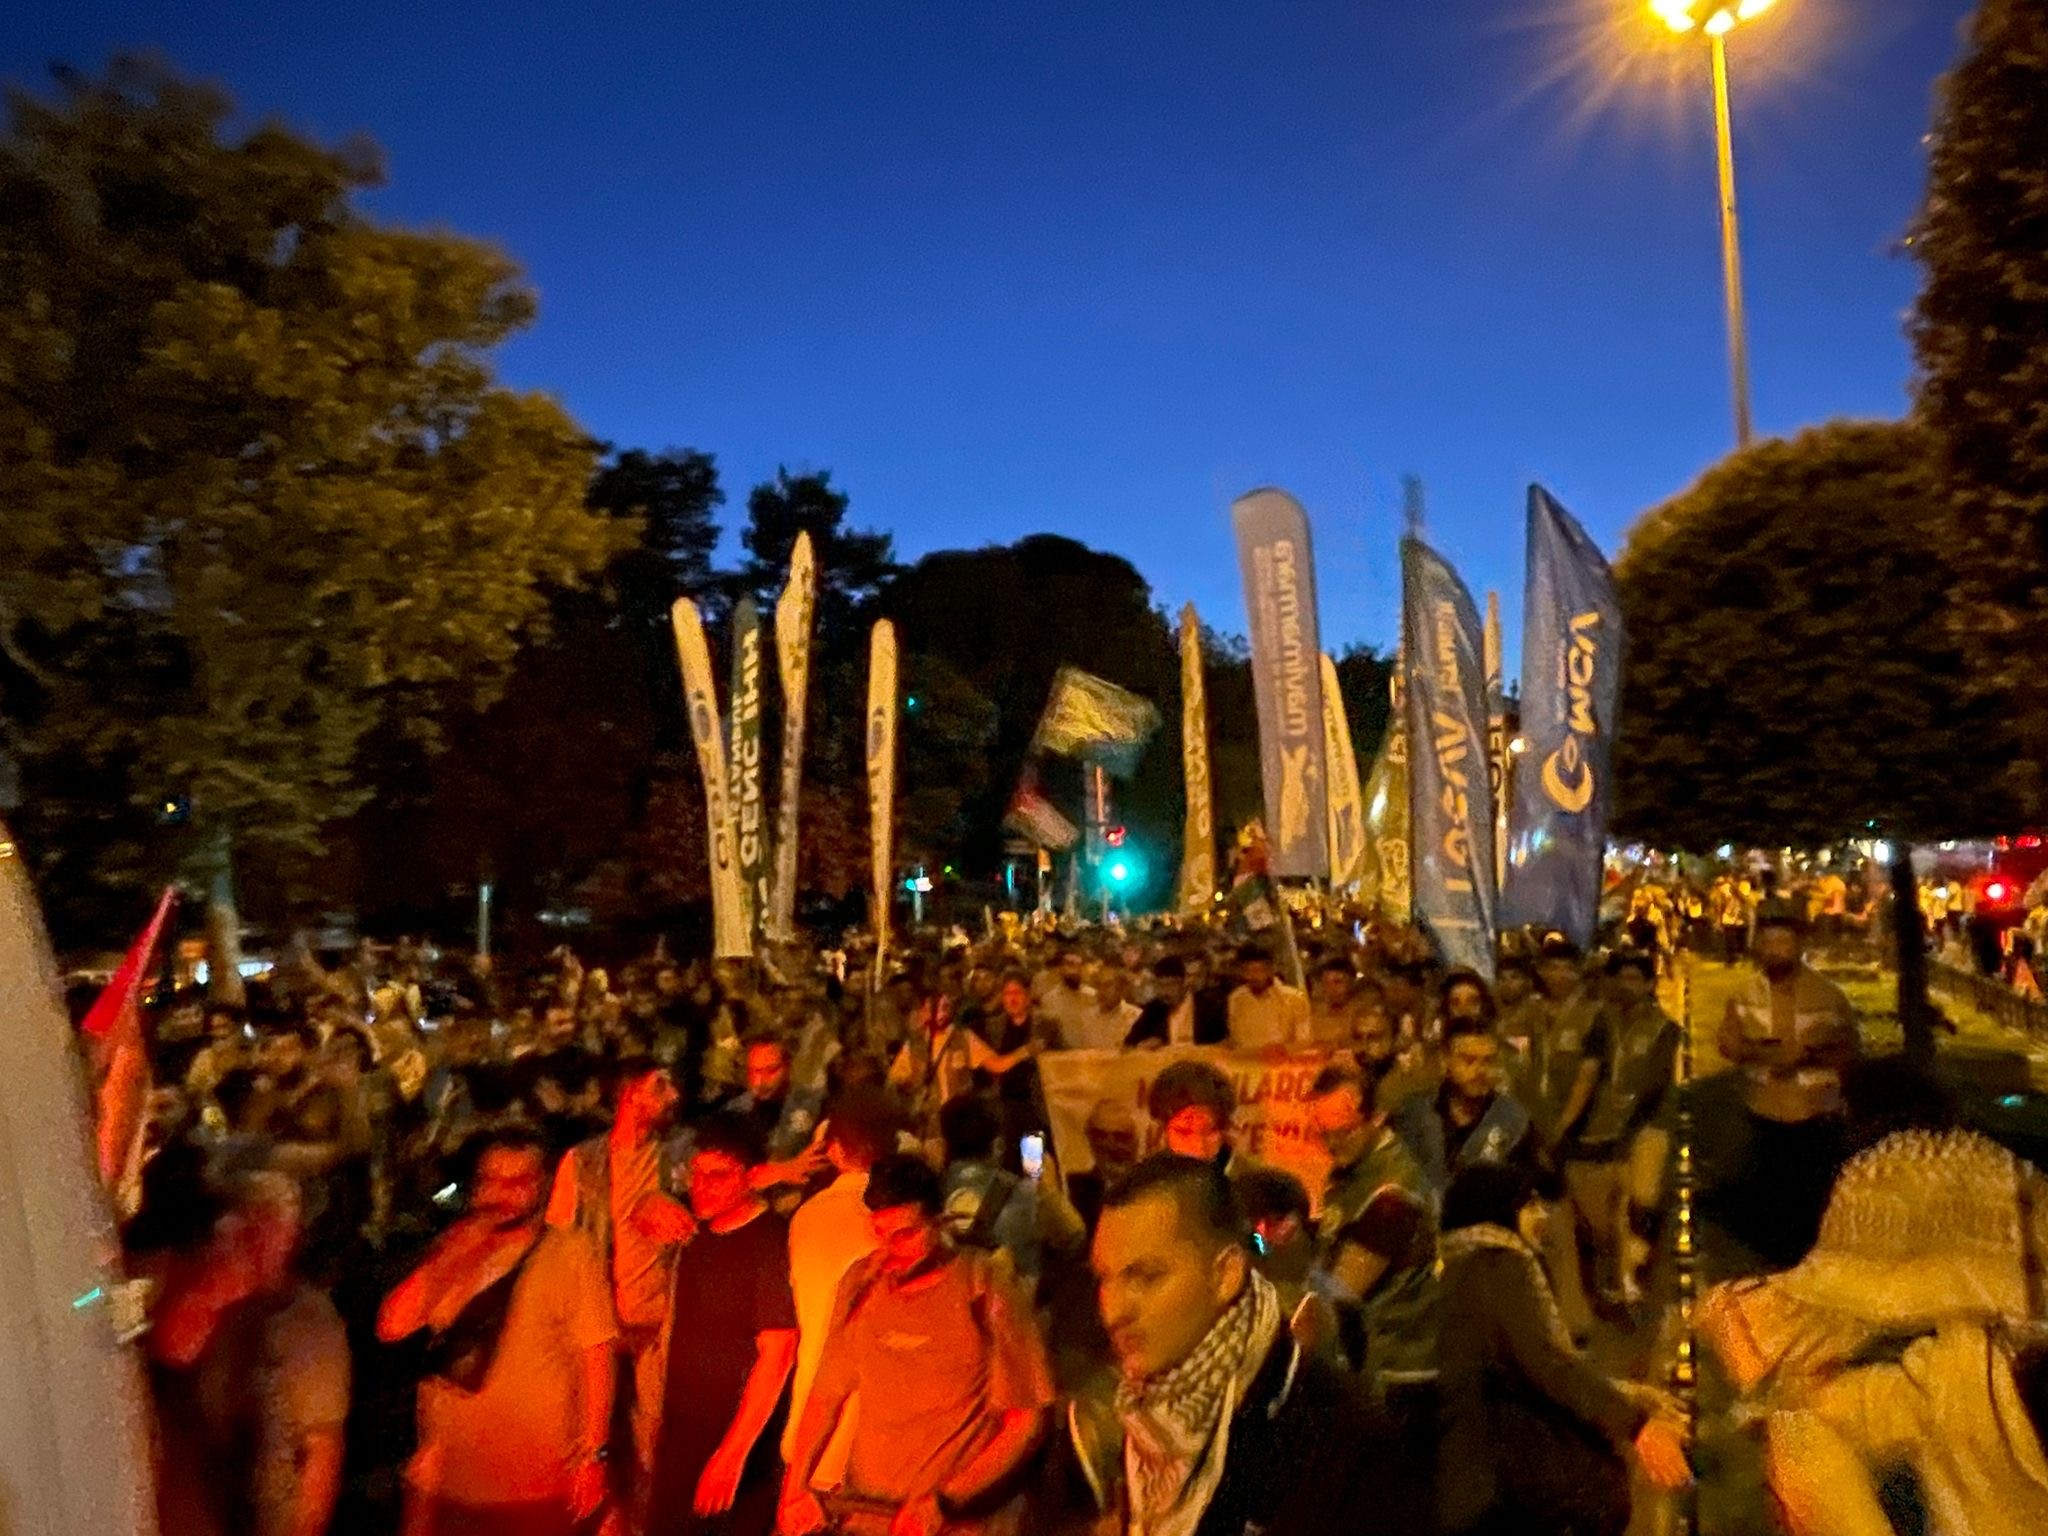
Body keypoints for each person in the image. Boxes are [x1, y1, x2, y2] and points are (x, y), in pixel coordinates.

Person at [1077, 1154, 1413, 1535]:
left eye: (1147, 1277)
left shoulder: (1342, 1442)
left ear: (1225, 1274)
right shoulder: (1131, 1415)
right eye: (1104, 1278)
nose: (1113, 1312)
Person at [778, 1154, 1055, 1536]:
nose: (890, 1251)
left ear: (940, 1221)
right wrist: (795, 1489)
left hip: (951, 1521)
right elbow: (826, 1396)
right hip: (865, 1514)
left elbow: (1025, 1420)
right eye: (880, 1235)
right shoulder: (862, 1282)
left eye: (905, 1235)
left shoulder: (983, 1285)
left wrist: (946, 1499)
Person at [378, 1126, 616, 1536]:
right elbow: (393, 1325)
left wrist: (593, 1454)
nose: (502, 1193)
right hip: (450, 1478)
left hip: (534, 1482)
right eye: (491, 1180)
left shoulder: (570, 1253)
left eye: (518, 1181)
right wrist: (455, 1256)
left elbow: (597, 1355)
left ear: (540, 1186)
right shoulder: (454, 1249)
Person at [1436, 1164, 1691, 1536]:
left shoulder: (1461, 1264)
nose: (1542, 1216)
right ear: (1498, 1210)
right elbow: (1549, 1366)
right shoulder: (1498, 1263)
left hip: (1473, 1442)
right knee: (1600, 1493)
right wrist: (1637, 1427)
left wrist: (1628, 1393)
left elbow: (1529, 1362)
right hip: (1491, 1452)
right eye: (1529, 1206)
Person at [148, 1171, 350, 1536]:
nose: (259, 1240)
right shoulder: (204, 1286)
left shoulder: (307, 1321)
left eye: (272, 1227)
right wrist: (217, 1289)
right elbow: (172, 1348)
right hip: (188, 1504)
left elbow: (321, 1453)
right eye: (248, 1223)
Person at [646, 1112, 799, 1536]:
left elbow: (779, 1352)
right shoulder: (695, 1238)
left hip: (737, 1454)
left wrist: (731, 1454)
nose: (703, 1185)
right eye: (697, 1173)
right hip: (679, 1442)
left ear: (752, 1177)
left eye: (719, 1175)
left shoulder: (770, 1242)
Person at [546, 1055, 695, 1485]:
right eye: (661, 1087)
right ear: (631, 1094)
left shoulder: (677, 1155)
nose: (674, 1096)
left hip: (658, 1324)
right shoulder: (584, 1163)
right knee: (590, 1437)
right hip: (600, 1328)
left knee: (654, 1444)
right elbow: (559, 1246)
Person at [1713, 900, 1859, 1267]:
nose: (1776, 950)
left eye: (1784, 943)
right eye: (1769, 943)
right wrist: (1760, 1052)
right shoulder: (1745, 994)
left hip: (1816, 1113)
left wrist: (1808, 1053)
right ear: (1757, 947)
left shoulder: (1828, 994)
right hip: (1765, 1111)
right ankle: (1775, 1264)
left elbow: (1850, 1049)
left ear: (1799, 946)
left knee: (1814, 1199)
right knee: (1770, 1197)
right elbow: (1727, 1043)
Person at [1307, 1064, 1439, 1412]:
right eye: (1323, 1133)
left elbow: (1338, 1291)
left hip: (1397, 1374)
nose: (1332, 1145)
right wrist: (1261, 1242)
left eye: (1344, 1132)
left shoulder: (1390, 1198)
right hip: (1369, 1362)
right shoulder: (1354, 1169)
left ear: (1376, 1118)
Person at [783, 1086, 898, 1469]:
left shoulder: (807, 1218)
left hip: (813, 1434)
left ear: (832, 1149)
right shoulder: (907, 1219)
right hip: (886, 1437)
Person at [1567, 950, 1679, 1308]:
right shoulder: (1604, 1021)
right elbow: (1589, 1073)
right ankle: (1616, 1274)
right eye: (1622, 979)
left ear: (1649, 984)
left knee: (1639, 1203)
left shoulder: (1666, 1029)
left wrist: (1629, 1126)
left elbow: (1656, 1085)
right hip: (1603, 1126)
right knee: (1602, 1214)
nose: (1628, 986)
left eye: (1636, 979)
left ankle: (1633, 1278)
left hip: (1650, 1124)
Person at [1397, 1015, 1536, 1203]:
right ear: (1445, 1060)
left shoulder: (1514, 1120)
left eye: (1488, 1061)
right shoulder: (1415, 1113)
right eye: (1468, 1060)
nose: (1480, 1071)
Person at [937, 1093, 1043, 1293]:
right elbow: (1073, 1238)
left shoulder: (928, 1194)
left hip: (952, 1308)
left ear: (943, 1143)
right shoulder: (1025, 1192)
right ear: (998, 1145)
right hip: (1012, 1309)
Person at [1146, 1060, 1243, 1175]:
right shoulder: (1143, 1186)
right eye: (1184, 1132)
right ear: (1163, 1132)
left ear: (1224, 1132)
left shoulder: (1250, 1185)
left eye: (1209, 1132)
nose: (1199, 1147)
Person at [1225, 944, 1309, 1050]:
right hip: (1245, 1063)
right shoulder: (1236, 999)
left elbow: (1303, 1042)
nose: (1252, 977)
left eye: (1257, 971)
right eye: (1247, 971)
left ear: (1270, 970)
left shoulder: (1294, 998)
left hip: (1283, 1063)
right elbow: (1235, 1040)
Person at [1035, 946, 1099, 1047]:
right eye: (1070, 964)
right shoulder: (1049, 1000)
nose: (1075, 970)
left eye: (1079, 965)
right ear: (1061, 968)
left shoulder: (1093, 996)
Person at [1066, 966, 1142, 1051]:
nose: (1101, 990)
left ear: (1121, 989)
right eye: (1098, 985)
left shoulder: (1136, 1017)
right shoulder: (1086, 1017)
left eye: (1107, 985)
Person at [1308, 957, 1370, 1046]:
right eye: (1326, 983)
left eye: (1338, 982)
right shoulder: (1313, 1014)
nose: (1331, 989)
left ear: (1351, 983)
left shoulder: (1363, 1015)